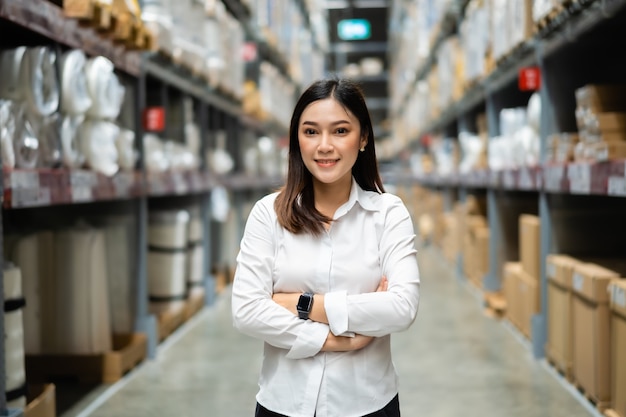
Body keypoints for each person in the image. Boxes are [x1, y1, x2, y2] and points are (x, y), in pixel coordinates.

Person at [231, 78, 420, 417]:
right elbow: (246, 311)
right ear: (296, 140)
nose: (324, 146)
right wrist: (337, 339)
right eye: (311, 132)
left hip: (367, 404)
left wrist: (302, 304)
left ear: (363, 138)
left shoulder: (388, 214)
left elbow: (402, 307)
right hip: (283, 403)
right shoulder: (268, 214)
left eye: (340, 131)